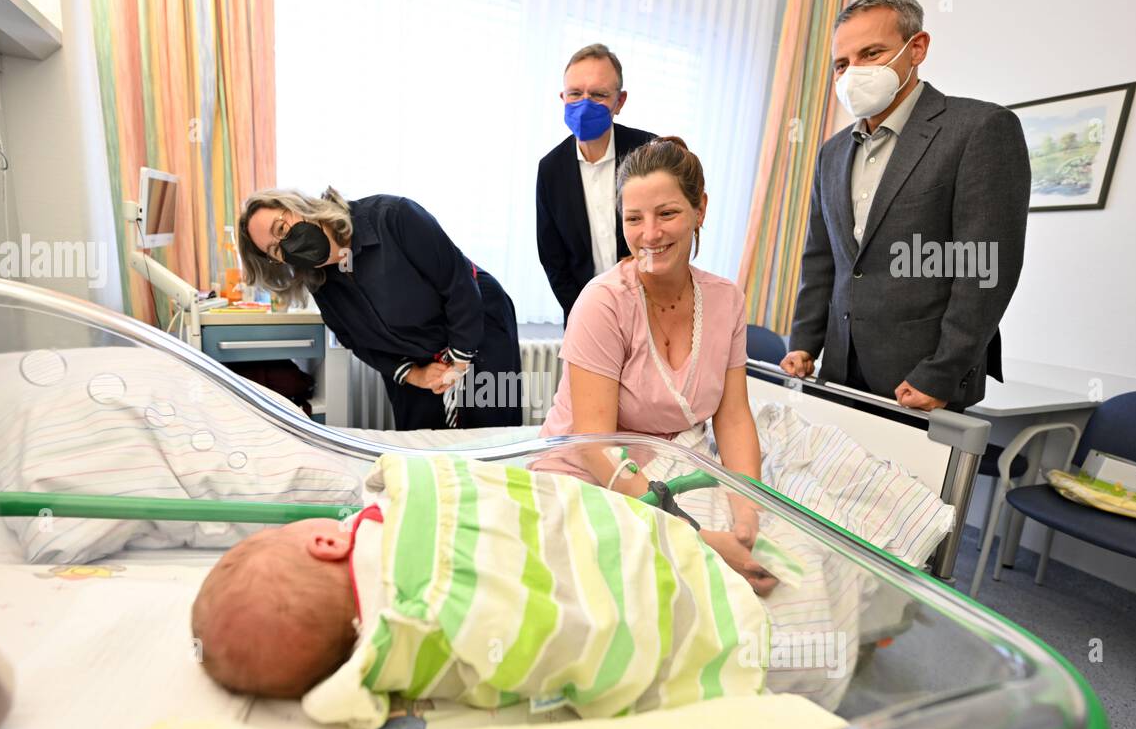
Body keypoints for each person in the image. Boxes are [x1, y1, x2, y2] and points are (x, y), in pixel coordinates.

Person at [190, 454, 768, 729]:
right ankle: (690, 573)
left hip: (663, 646)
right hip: (649, 548)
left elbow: (501, 674)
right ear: (323, 542)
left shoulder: (383, 661)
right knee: (587, 542)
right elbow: (469, 484)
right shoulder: (406, 515)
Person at [531, 136, 774, 593]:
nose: (649, 234)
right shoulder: (604, 304)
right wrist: (693, 537)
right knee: (620, 582)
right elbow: (595, 445)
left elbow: (735, 416)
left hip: (671, 463)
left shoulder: (726, 301)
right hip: (589, 472)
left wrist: (747, 511)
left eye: (667, 214)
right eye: (633, 219)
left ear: (700, 209)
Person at [780, 0, 1029, 412]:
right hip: (839, 370)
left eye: (872, 53)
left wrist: (941, 372)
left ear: (916, 49)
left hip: (921, 380)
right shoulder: (832, 152)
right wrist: (805, 342)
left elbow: (984, 268)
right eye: (842, 64)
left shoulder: (979, 129)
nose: (853, 72)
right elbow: (822, 258)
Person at [238, 189, 522, 430]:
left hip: (478, 320)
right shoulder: (319, 282)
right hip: (417, 357)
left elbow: (457, 283)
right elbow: (356, 342)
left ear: (298, 206)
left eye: (281, 229)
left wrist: (459, 362)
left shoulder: (394, 216)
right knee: (421, 437)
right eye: (276, 250)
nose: (286, 246)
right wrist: (415, 375)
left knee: (490, 427)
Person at [536, 44, 655, 327]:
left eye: (599, 94)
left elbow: (665, 234)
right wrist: (586, 310)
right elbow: (552, 257)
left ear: (620, 101)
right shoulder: (550, 169)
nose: (584, 103)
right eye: (575, 93)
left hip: (652, 312)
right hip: (584, 316)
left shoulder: (649, 151)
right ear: (563, 97)